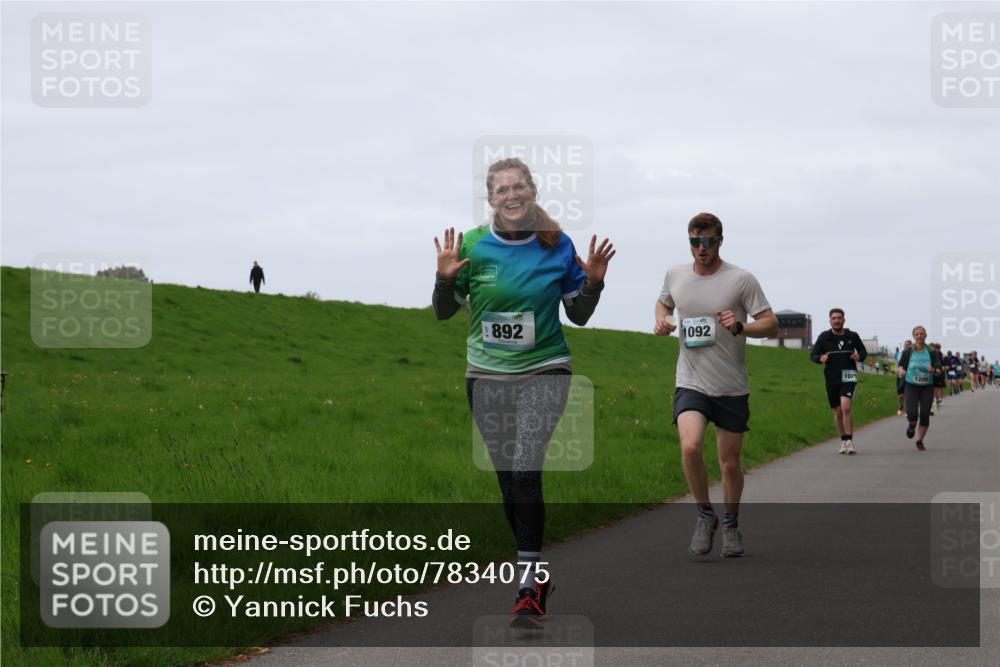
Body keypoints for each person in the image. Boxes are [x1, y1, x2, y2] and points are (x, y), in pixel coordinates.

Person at [433, 157, 613, 628]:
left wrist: (592, 283)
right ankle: (536, 574)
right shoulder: (473, 244)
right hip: (486, 376)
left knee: (526, 468)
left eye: (519, 187)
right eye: (501, 190)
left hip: (545, 368)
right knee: (508, 484)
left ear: (532, 192)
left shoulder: (558, 244)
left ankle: (528, 585)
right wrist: (445, 279)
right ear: (491, 200)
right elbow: (443, 312)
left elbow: (579, 315)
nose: (511, 195)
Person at [654, 212, 777, 558]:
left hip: (730, 385)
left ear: (720, 241)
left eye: (708, 241)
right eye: (695, 241)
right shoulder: (676, 275)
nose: (701, 248)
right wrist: (661, 320)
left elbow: (770, 324)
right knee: (691, 447)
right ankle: (704, 514)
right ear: (689, 241)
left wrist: (740, 326)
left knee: (730, 464)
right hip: (690, 380)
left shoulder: (741, 280)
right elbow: (664, 300)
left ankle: (731, 523)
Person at [810, 308, 867, 454]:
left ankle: (849, 441)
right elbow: (813, 354)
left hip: (849, 374)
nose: (837, 320)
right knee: (838, 412)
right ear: (830, 321)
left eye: (839, 318)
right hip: (831, 377)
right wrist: (820, 358)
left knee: (846, 406)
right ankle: (843, 441)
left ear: (844, 320)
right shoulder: (824, 337)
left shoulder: (852, 336)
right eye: (834, 318)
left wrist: (858, 356)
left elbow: (863, 352)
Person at [896, 326, 942, 451]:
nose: (919, 336)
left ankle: (919, 440)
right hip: (911, 385)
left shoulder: (932, 351)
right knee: (912, 413)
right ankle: (912, 424)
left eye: (922, 334)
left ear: (925, 335)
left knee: (925, 414)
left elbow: (939, 370)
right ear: (914, 336)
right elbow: (900, 366)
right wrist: (902, 370)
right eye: (917, 334)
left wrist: (933, 370)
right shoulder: (908, 351)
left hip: (927, 386)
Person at [895, 340, 912, 415]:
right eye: (906, 344)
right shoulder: (899, 353)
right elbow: (897, 363)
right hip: (899, 375)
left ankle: (906, 408)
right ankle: (902, 405)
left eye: (908, 344)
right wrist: (896, 370)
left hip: (907, 375)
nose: (907, 346)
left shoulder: (911, 353)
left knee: (907, 392)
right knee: (900, 394)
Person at [931, 343, 946, 412]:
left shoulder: (941, 355)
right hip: (932, 372)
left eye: (938, 348)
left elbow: (944, 363)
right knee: (934, 387)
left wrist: (943, 367)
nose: (936, 349)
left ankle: (939, 399)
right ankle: (935, 400)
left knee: (939, 387)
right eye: (936, 348)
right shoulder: (930, 354)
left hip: (939, 373)